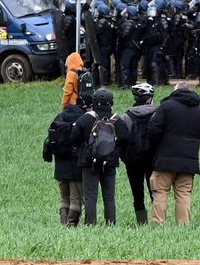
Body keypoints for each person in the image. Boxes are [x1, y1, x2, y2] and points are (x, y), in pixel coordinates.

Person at [146, 82, 200, 225]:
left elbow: (153, 129)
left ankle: (158, 223)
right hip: (189, 161)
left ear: (175, 91)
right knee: (183, 194)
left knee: (160, 192)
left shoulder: (166, 106)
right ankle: (183, 225)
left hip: (165, 159)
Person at [72, 88, 119, 225]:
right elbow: (127, 137)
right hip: (110, 162)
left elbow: (73, 137)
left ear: (94, 102)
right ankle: (111, 224)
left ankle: (90, 224)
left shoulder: (85, 119)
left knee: (90, 197)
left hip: (89, 162)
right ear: (111, 103)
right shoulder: (116, 119)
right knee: (109, 197)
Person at [114, 82, 157, 224]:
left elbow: (120, 140)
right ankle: (158, 220)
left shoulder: (126, 117)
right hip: (153, 160)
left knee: (137, 194)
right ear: (149, 98)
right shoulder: (157, 114)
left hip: (133, 161)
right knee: (156, 193)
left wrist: (126, 158)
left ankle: (142, 222)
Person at [43, 99, 87, 226]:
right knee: (75, 198)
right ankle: (71, 226)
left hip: (60, 166)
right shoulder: (82, 118)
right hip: (76, 166)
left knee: (64, 198)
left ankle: (63, 223)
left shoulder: (60, 117)